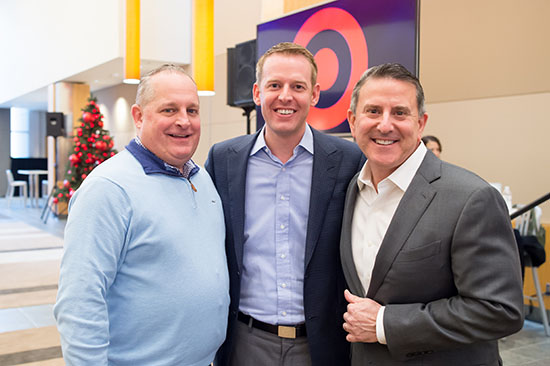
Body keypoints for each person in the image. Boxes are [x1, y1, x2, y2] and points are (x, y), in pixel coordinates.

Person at [340, 63, 524, 365]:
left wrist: (386, 323)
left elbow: (500, 310)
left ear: (421, 123)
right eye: (373, 111)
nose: (385, 125)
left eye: (400, 113)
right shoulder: (351, 190)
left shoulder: (471, 198)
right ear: (352, 120)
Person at [54, 64, 229, 366]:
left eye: (192, 110)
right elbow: (79, 302)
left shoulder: (202, 179)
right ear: (139, 116)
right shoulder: (108, 189)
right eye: (169, 110)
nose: (184, 121)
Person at [205, 42, 364, 366]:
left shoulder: (349, 160)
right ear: (257, 92)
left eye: (298, 87)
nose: (285, 96)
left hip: (321, 344)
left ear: (315, 94)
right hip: (244, 341)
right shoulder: (223, 160)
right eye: (274, 85)